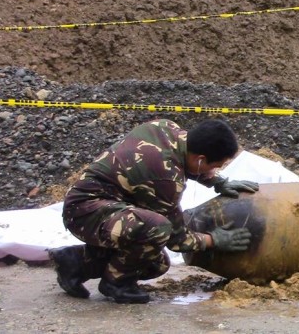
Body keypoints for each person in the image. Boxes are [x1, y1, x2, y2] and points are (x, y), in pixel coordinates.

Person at [48, 118, 259, 304]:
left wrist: (216, 181)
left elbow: (184, 162)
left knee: (155, 265)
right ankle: (116, 284)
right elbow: (177, 240)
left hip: (106, 206)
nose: (215, 170)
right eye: (215, 166)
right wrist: (214, 239)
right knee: (157, 229)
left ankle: (75, 262)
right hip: (86, 211)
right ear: (201, 159)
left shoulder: (166, 127)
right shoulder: (165, 179)